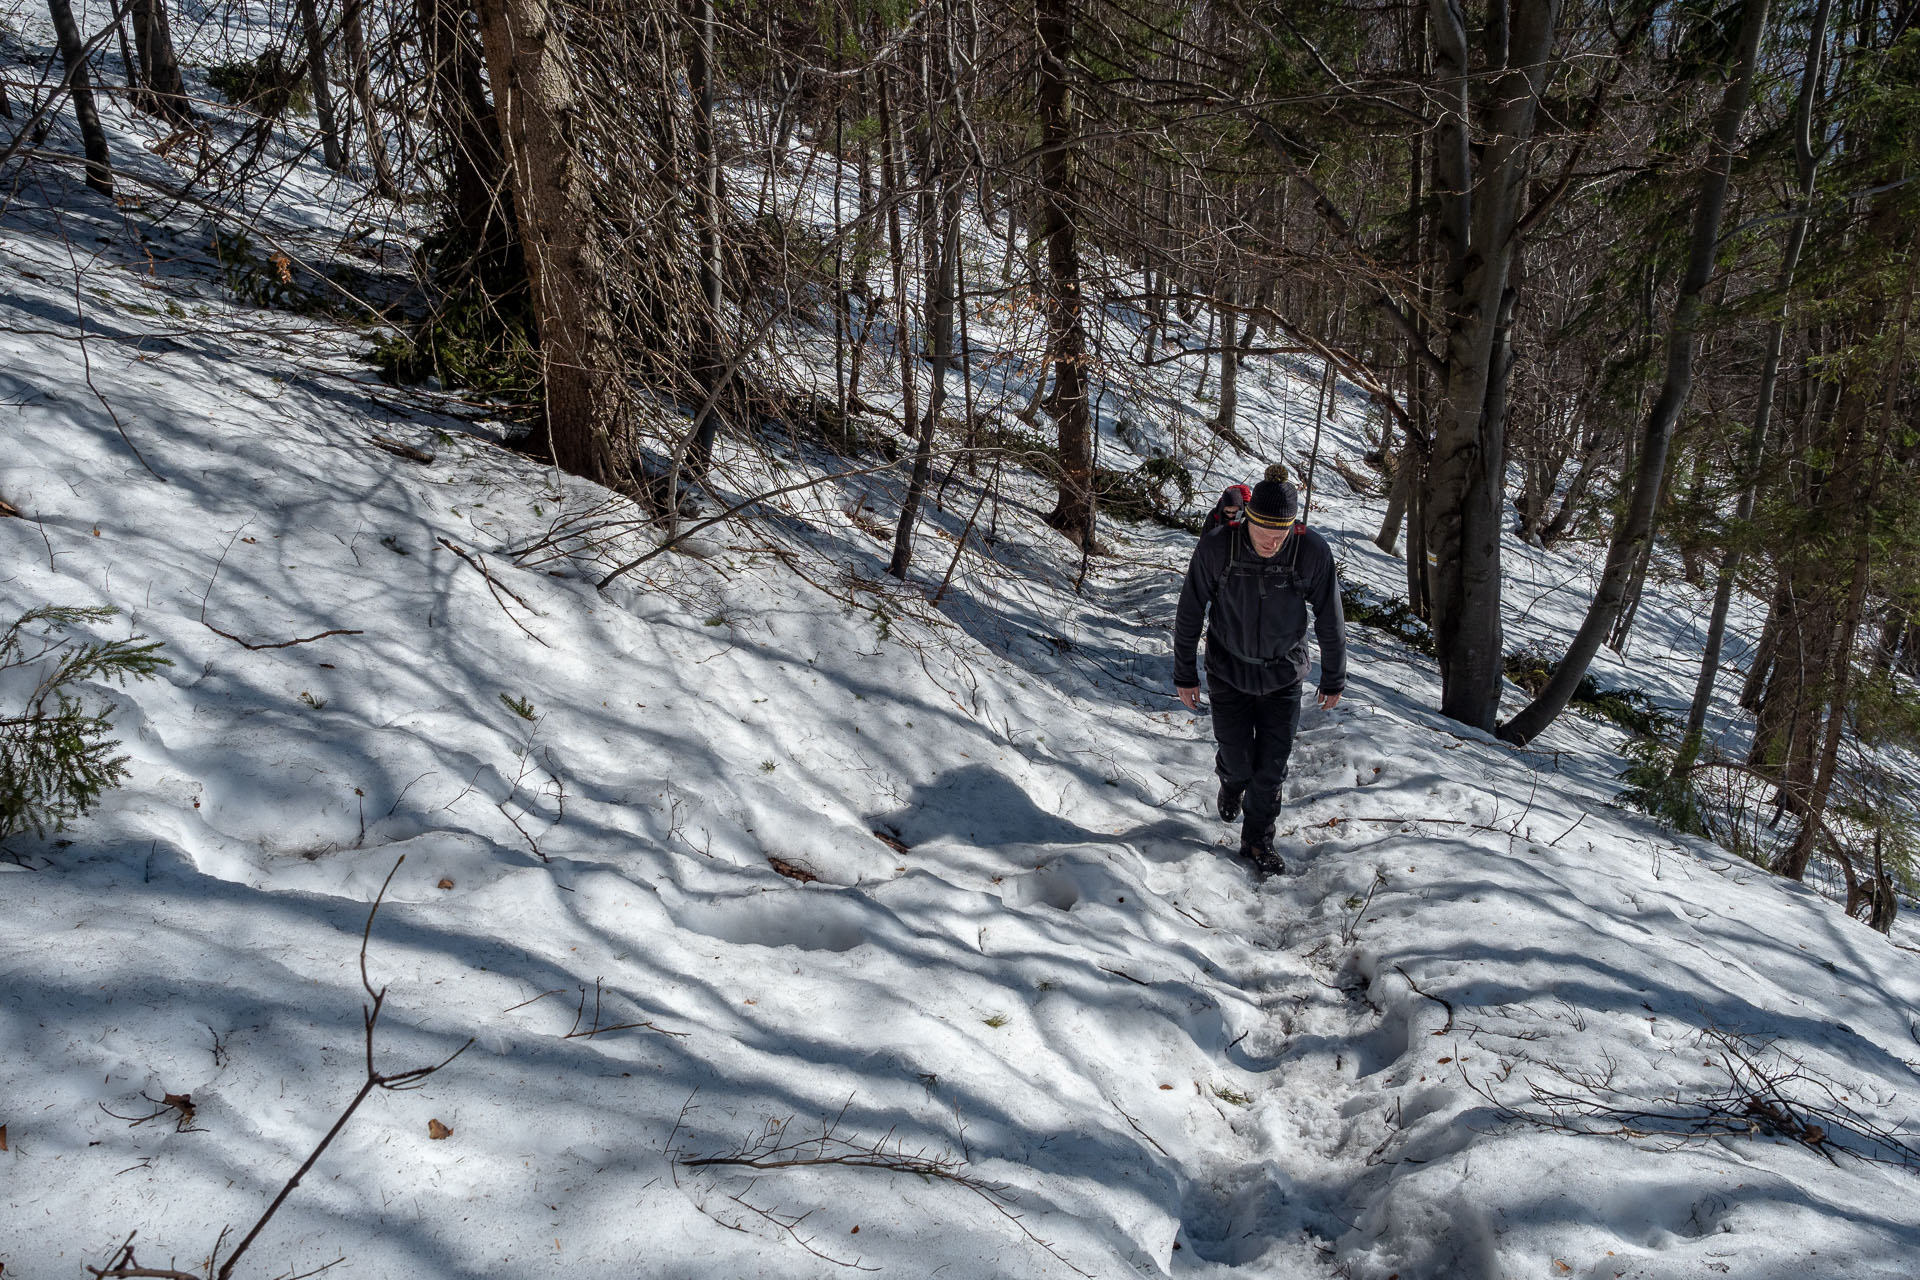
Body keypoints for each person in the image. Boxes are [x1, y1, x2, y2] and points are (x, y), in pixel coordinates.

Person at [1172, 470, 1346, 874]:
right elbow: (1190, 609)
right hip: (1228, 670)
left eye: (1281, 532)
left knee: (1271, 769)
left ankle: (1256, 841)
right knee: (1238, 762)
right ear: (1247, 518)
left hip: (1284, 675)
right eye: (1264, 530)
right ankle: (1231, 783)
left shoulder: (1310, 552)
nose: (1272, 541)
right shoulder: (1219, 547)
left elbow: (1330, 618)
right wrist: (1185, 673)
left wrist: (1334, 676)